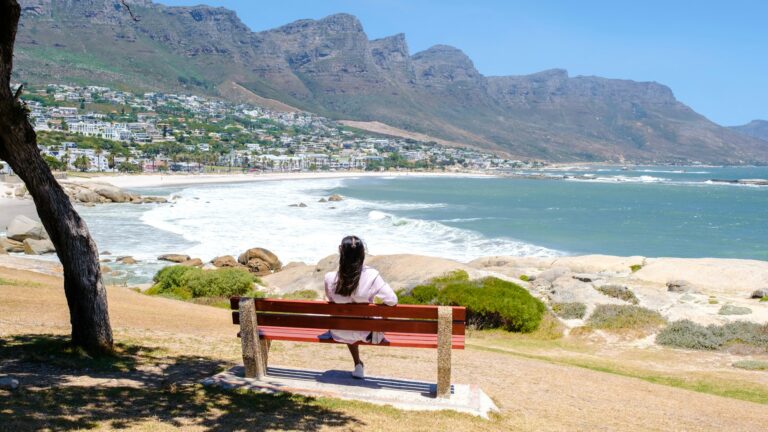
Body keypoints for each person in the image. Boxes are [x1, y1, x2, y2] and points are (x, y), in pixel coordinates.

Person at [324, 235, 397, 379]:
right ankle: (358, 365)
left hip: (339, 331)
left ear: (340, 251)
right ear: (362, 253)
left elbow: (330, 299)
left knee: (348, 321)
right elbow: (392, 300)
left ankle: (358, 364)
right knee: (359, 321)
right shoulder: (372, 275)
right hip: (367, 334)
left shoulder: (330, 277)